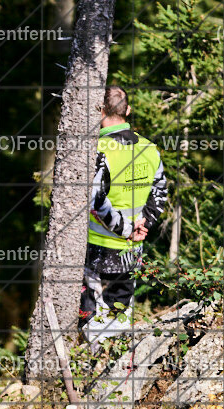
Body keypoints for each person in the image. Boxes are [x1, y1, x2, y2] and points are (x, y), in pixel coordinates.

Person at [79, 85, 167, 346]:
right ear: (128, 110)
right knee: (119, 317)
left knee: (90, 322)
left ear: (100, 111)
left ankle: (89, 377)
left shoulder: (95, 150)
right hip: (132, 251)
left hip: (97, 249)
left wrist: (127, 228)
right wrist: (144, 224)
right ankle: (114, 374)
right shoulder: (149, 149)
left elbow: (96, 200)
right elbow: (160, 193)